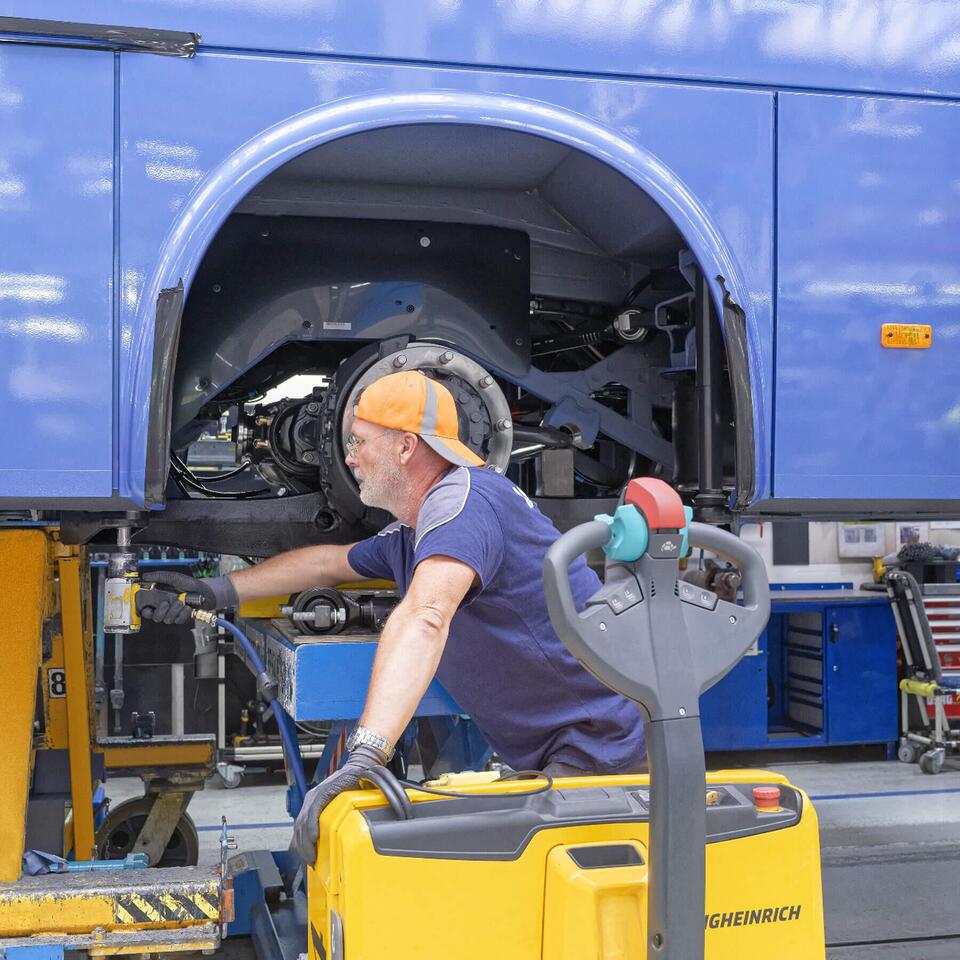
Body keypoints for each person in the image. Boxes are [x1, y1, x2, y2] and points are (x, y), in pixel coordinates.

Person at [138, 370, 646, 864]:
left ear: (406, 447)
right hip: (565, 750)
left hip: (599, 751)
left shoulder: (462, 503)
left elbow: (425, 616)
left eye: (359, 441)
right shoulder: (419, 527)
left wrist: (367, 753)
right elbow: (328, 562)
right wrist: (215, 590)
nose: (350, 457)